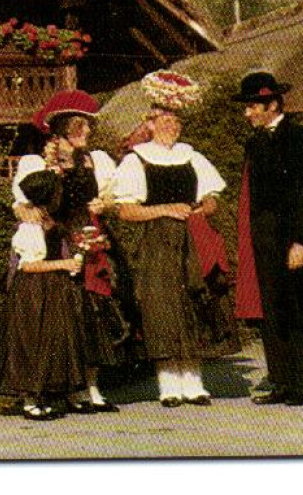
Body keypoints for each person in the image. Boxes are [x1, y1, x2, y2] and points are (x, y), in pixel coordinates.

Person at [113, 70, 238, 406]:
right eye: (164, 119)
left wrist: (202, 209)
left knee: (195, 302)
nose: (171, 125)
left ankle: (194, 381)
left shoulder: (192, 156)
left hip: (191, 239)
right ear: (150, 124)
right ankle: (168, 383)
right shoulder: (135, 161)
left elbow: (212, 198)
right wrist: (164, 209)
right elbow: (126, 210)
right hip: (156, 241)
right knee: (162, 305)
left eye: (175, 120)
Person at [11, 89, 126, 412]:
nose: (88, 132)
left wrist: (106, 204)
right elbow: (22, 203)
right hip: (56, 242)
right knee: (61, 315)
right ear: (65, 129)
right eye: (82, 126)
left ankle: (90, 387)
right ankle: (63, 388)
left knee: (92, 313)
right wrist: (26, 211)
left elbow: (113, 198)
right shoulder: (38, 162)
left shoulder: (95, 160)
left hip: (89, 237)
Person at [233, 70, 303, 406]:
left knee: (300, 308)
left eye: (252, 107)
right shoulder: (254, 142)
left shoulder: (301, 138)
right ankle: (281, 381)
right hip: (266, 240)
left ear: (272, 104)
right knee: (272, 310)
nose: (247, 114)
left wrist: (302, 241)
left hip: (295, 238)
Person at [0, 168, 89, 420]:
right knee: (33, 341)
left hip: (52, 288)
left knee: (57, 339)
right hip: (33, 290)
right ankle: (30, 401)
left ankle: (63, 393)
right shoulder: (30, 227)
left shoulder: (49, 221)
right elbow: (29, 265)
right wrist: (63, 265)